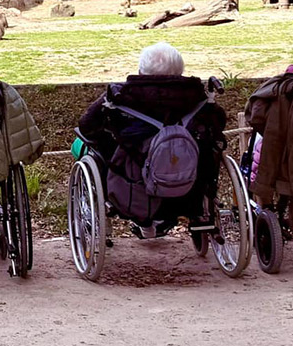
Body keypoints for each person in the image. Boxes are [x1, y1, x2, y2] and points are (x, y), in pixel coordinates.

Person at [76, 42, 226, 235]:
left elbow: (86, 125)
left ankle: (143, 223)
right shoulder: (196, 96)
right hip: (189, 186)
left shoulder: (121, 95)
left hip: (133, 192)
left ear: (141, 70)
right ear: (180, 70)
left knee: (84, 145)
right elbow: (218, 123)